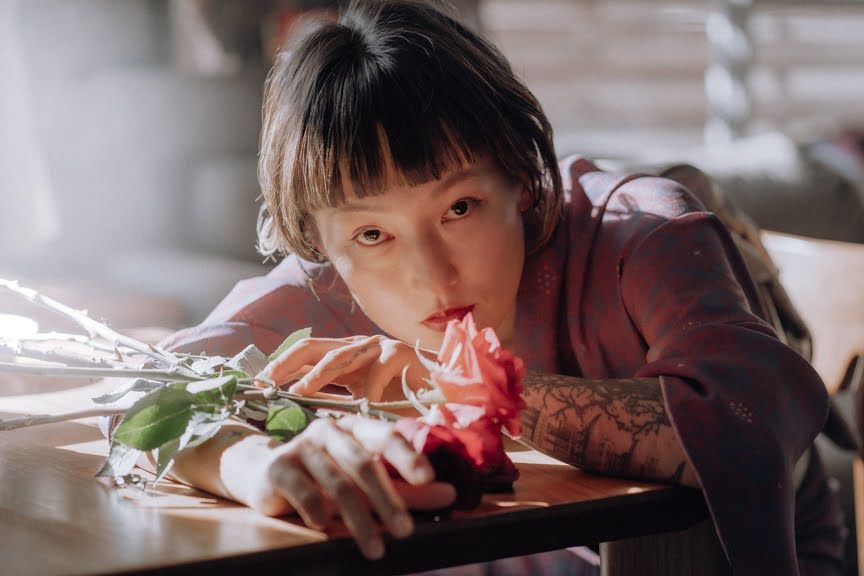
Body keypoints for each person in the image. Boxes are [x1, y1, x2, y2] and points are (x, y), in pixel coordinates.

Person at [154, 1, 845, 573]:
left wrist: (445, 382)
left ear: (519, 177)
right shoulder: (333, 282)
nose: (430, 275)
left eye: (459, 209)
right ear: (322, 245)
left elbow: (751, 416)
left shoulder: (645, 232)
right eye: (372, 235)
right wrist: (253, 465)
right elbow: (155, 391)